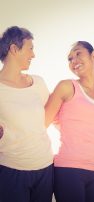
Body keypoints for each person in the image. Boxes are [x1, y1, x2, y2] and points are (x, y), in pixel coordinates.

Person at [44, 41, 94, 202]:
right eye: (70, 58)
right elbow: (42, 123)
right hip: (68, 168)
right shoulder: (66, 86)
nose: (74, 61)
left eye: (78, 54)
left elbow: (82, 131)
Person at [0, 26, 53, 202]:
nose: (34, 55)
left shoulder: (38, 83)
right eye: (30, 48)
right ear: (14, 49)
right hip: (11, 170)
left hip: (45, 168)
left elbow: (53, 115)